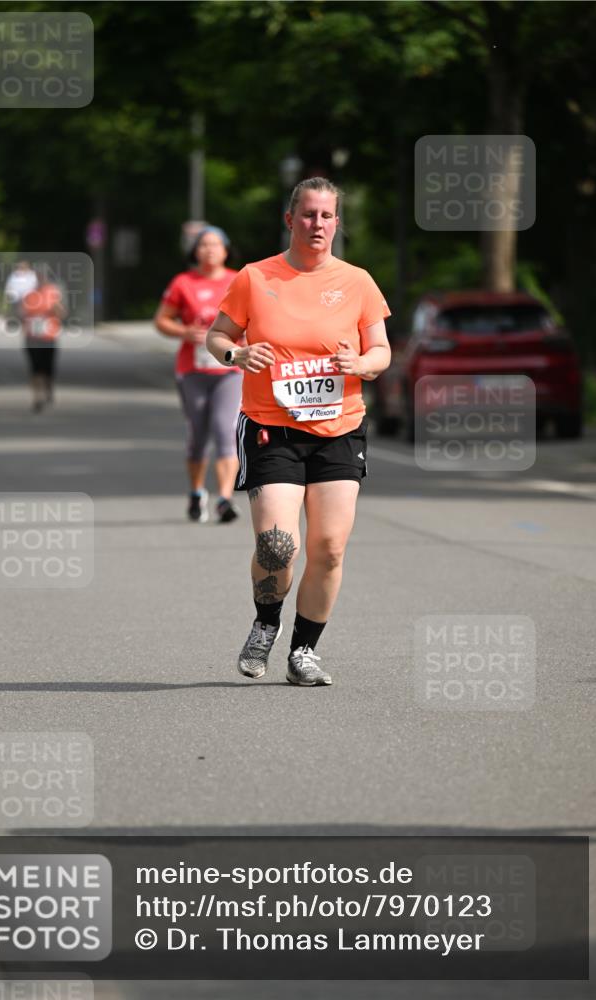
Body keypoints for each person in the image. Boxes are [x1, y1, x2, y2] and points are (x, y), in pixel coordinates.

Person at [206, 177, 391, 686]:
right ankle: (266, 623)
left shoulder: (357, 281)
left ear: (337, 222)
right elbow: (217, 335)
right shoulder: (254, 277)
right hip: (271, 428)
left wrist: (363, 362)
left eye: (327, 215)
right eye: (308, 215)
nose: (317, 224)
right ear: (290, 220)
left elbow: (381, 351)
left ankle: (303, 651)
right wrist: (237, 354)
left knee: (329, 547)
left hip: (339, 429)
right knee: (277, 545)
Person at [154, 226, 243, 523]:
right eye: (204, 244)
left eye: (216, 244)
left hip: (229, 370)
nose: (209, 250)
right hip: (193, 370)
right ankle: (196, 492)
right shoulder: (184, 283)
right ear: (195, 251)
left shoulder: (238, 281)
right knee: (198, 435)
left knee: (225, 429)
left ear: (226, 250)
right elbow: (162, 320)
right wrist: (185, 331)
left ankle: (225, 499)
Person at [21, 265, 66, 412]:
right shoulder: (29, 294)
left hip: (49, 336)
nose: (40, 278)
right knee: (35, 368)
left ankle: (48, 389)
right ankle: (37, 397)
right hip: (33, 337)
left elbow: (62, 313)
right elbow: (22, 313)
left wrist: (56, 308)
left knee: (48, 368)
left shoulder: (53, 292)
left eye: (43, 275)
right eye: (38, 275)